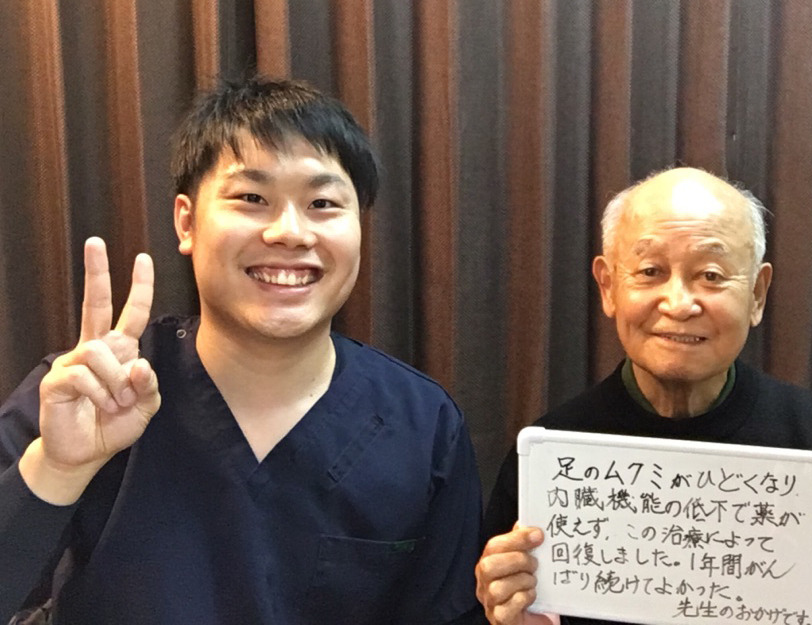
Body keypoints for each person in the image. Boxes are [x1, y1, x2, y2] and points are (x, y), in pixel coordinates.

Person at [0, 77, 482, 624]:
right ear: (187, 221)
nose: (290, 232)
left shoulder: (422, 424)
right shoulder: (89, 394)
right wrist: (56, 469)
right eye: (252, 198)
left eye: (323, 203)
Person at [474, 168, 812, 624]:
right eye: (650, 271)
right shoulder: (552, 455)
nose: (679, 302)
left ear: (757, 293)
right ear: (608, 286)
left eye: (711, 275)